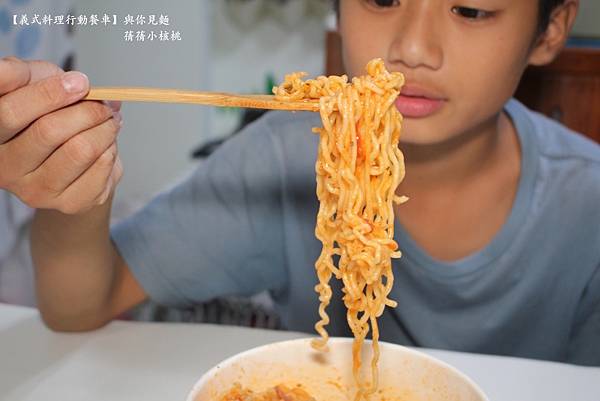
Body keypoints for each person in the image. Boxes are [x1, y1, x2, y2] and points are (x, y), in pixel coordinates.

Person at [1, 0, 598, 365]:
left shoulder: (586, 208)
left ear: (550, 30)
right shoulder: (287, 158)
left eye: (470, 10)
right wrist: (74, 193)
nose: (411, 49)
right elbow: (78, 305)